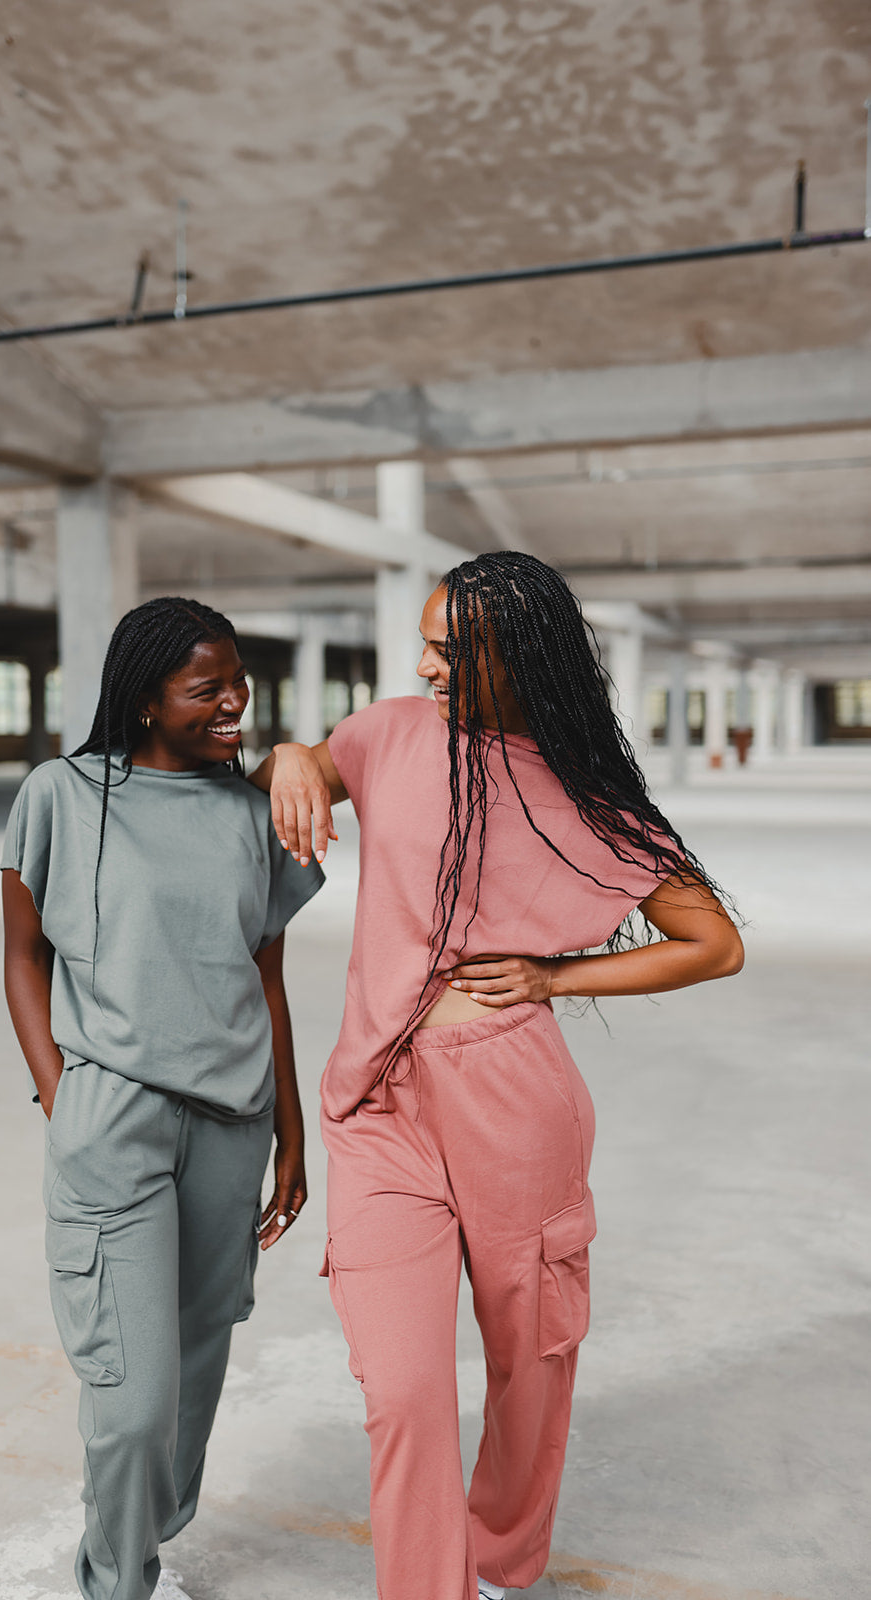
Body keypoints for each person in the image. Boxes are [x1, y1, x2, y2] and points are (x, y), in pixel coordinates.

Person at [254, 552, 744, 1600]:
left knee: (530, 1367)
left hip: (513, 1101)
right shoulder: (388, 735)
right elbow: (302, 778)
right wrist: (292, 752)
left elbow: (710, 941)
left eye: (449, 649)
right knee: (401, 1387)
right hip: (376, 1104)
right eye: (424, 643)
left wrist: (558, 973)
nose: (424, 665)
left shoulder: (586, 795)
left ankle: (499, 1566)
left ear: (520, 656)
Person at [1, 597, 323, 1600]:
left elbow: (264, 978)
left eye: (239, 683)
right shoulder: (61, 793)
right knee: (132, 1400)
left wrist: (291, 1130)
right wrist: (60, 1095)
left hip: (231, 1127)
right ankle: (116, 1582)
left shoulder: (249, 815)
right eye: (207, 688)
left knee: (191, 1379)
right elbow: (21, 954)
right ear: (144, 698)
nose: (233, 702)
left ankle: (142, 1543)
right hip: (115, 1125)